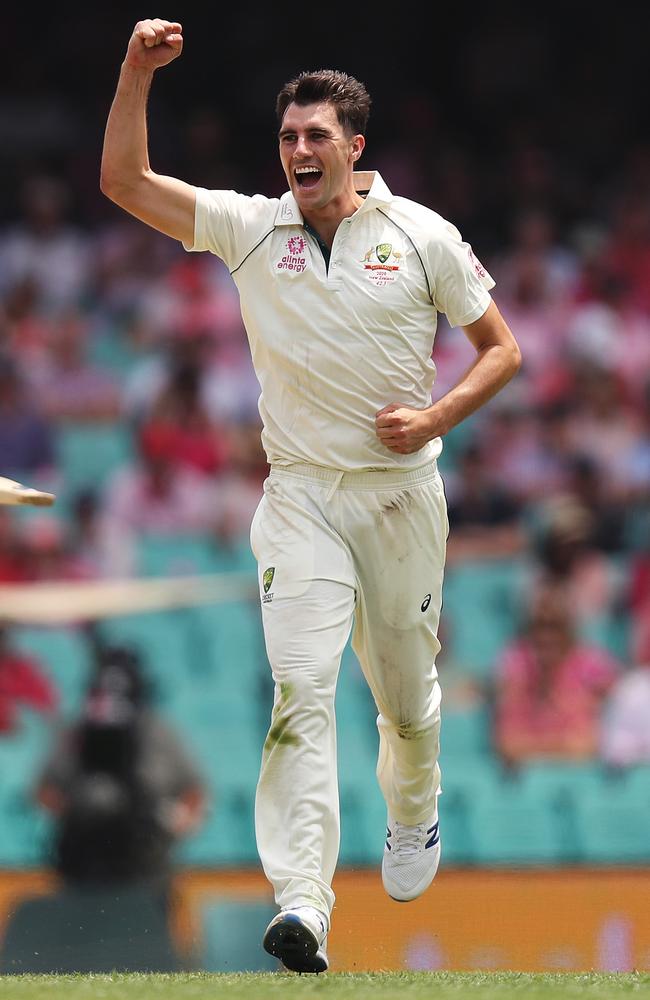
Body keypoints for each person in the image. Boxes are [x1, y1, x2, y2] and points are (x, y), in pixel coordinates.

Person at [100, 18, 521, 973]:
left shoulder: (421, 237)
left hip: (401, 498)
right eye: (288, 137)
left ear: (355, 147)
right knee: (301, 690)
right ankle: (303, 902)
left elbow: (504, 350)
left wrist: (436, 417)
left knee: (407, 702)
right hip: (299, 501)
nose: (298, 152)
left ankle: (416, 812)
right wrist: (135, 73)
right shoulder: (253, 229)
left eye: (316, 137)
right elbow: (125, 183)